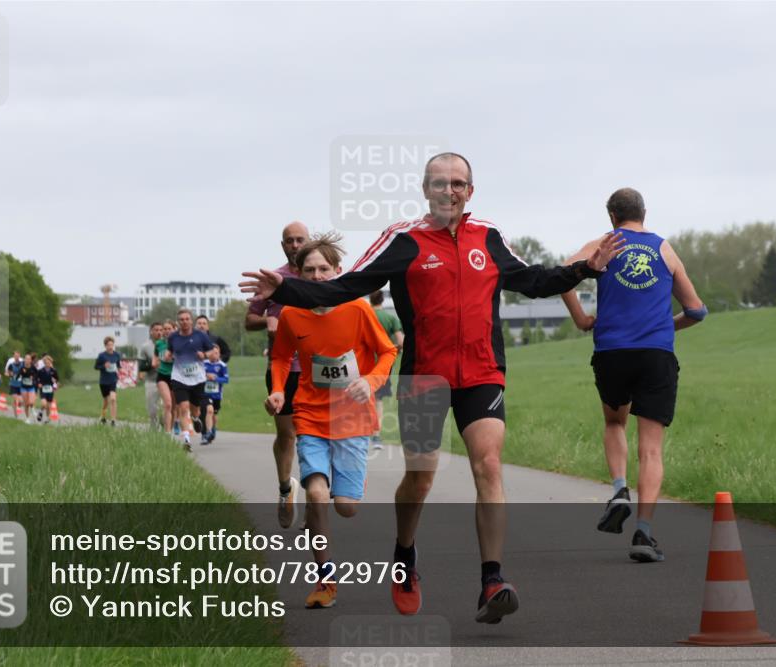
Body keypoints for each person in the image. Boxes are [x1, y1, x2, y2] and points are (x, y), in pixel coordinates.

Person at [242, 152, 623, 623]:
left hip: (483, 372)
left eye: (459, 183)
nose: (450, 191)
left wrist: (585, 268)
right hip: (424, 376)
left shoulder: (490, 236)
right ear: (425, 190)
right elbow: (344, 287)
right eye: (440, 183)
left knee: (488, 462)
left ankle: (492, 579)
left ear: (471, 190)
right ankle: (404, 554)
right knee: (421, 478)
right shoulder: (402, 241)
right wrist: (282, 292)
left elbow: (535, 280)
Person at [560, 187, 706, 563]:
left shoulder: (603, 244)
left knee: (614, 422)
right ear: (645, 212)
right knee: (652, 447)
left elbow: (563, 273)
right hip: (656, 354)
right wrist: (665, 326)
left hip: (612, 352)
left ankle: (620, 489)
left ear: (611, 216)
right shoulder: (664, 249)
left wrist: (581, 319)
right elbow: (696, 310)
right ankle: (643, 533)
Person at [264, 233, 398, 609]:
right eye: (310, 270)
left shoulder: (356, 308)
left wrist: (371, 381)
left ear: (338, 271)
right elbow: (280, 358)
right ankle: (326, 582)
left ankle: (319, 502)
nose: (319, 276)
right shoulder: (291, 313)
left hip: (352, 419)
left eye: (325, 268)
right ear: (298, 276)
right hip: (309, 414)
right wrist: (278, 390)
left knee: (346, 506)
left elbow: (387, 351)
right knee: (319, 495)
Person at [245, 221, 310, 529]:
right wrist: (268, 323)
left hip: (318, 368)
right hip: (282, 367)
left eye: (300, 240)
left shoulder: (321, 274)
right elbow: (250, 319)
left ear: (309, 242)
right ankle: (286, 489)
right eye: (289, 241)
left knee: (315, 437)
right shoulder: (273, 278)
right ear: (282, 245)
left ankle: (316, 504)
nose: (295, 245)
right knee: (287, 435)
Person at [168, 308, 213, 450]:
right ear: (178, 322)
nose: (184, 322)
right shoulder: (173, 337)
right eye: (181, 319)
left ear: (191, 321)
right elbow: (169, 351)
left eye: (187, 319)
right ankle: (186, 439)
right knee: (183, 407)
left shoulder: (201, 336)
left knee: (195, 409)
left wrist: (204, 355)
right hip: (179, 377)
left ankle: (195, 418)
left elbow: (211, 352)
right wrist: (168, 356)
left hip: (198, 378)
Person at [368, 290, 404, 450]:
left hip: (363, 364)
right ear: (382, 300)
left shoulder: (365, 314)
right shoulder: (390, 318)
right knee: (378, 401)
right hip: (383, 365)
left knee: (359, 400)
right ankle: (376, 436)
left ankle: (358, 433)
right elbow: (401, 341)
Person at [202, 345, 228, 444]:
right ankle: (207, 433)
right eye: (212, 353)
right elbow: (197, 376)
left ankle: (213, 430)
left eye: (216, 353)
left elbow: (226, 379)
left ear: (219, 354)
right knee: (209, 411)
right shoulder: (204, 364)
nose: (214, 355)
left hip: (217, 394)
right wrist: (206, 376)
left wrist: (215, 378)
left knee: (213, 414)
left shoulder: (222, 366)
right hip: (205, 393)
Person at [155, 320, 177, 436]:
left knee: (173, 407)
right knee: (167, 404)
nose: (167, 331)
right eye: (165, 329)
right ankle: (167, 434)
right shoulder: (159, 344)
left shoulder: (179, 342)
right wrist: (155, 362)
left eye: (169, 328)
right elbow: (155, 357)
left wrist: (173, 358)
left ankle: (170, 429)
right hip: (162, 375)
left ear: (174, 329)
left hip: (175, 376)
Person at [140, 323, 163, 429]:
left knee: (165, 407)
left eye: (160, 330)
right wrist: (152, 365)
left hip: (165, 381)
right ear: (151, 332)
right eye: (156, 330)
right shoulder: (145, 347)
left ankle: (165, 429)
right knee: (152, 409)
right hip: (151, 381)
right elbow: (141, 366)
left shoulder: (168, 344)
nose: (159, 332)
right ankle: (154, 430)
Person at [94, 337, 121, 426]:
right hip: (103, 381)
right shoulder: (102, 355)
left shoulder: (116, 355)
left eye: (112, 345)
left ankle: (113, 420)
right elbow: (96, 367)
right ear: (105, 346)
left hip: (113, 380)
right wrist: (103, 366)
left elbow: (118, 365)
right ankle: (103, 416)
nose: (110, 347)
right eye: (108, 345)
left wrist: (120, 371)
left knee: (113, 399)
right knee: (106, 402)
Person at [36, 355, 60, 423]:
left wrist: (56, 384)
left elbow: (57, 380)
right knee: (44, 404)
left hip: (50, 389)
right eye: (46, 362)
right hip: (43, 388)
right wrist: (38, 383)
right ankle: (40, 412)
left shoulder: (54, 371)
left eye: (49, 362)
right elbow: (36, 379)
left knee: (48, 406)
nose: (48, 364)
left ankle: (47, 418)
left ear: (50, 363)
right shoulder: (40, 371)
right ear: (44, 363)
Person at [17, 354, 39, 423]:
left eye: (29, 359)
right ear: (24, 360)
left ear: (30, 360)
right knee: (26, 404)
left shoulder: (33, 367)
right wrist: (19, 377)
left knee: (31, 402)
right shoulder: (22, 368)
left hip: (31, 387)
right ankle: (27, 418)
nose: (27, 360)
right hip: (23, 387)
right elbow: (17, 376)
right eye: (26, 359)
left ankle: (32, 409)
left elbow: (37, 375)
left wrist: (33, 377)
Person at [5, 351, 24, 417]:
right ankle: (16, 414)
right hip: (13, 384)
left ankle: (15, 406)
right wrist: (10, 374)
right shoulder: (11, 364)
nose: (17, 357)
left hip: (20, 385)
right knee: (16, 399)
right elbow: (6, 373)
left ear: (19, 356)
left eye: (18, 356)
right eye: (15, 356)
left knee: (21, 401)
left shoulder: (22, 363)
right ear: (14, 356)